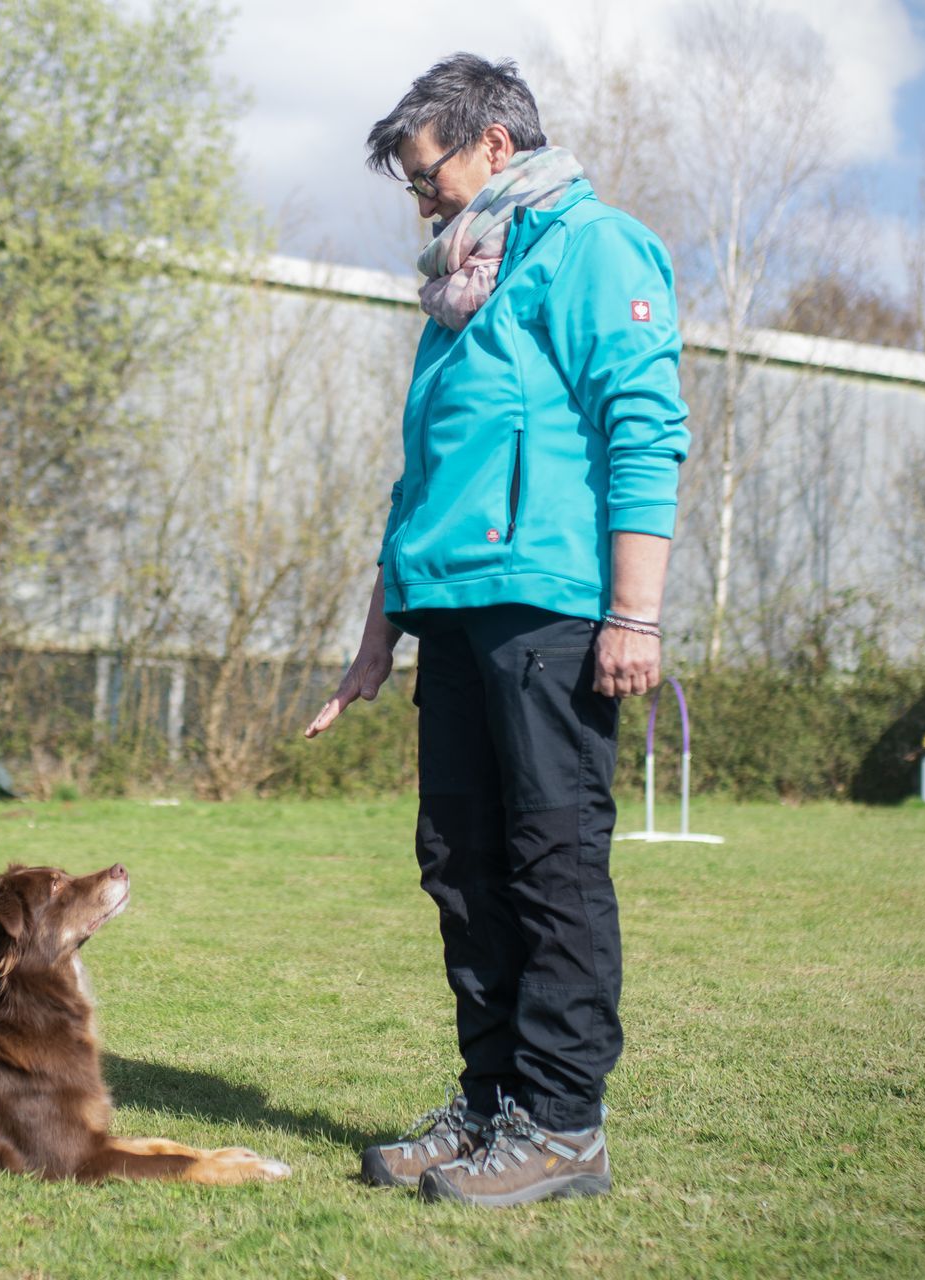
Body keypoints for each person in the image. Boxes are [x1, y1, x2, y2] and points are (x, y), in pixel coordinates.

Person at [304, 53, 689, 1208]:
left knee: (549, 864)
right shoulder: (461, 287)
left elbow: (644, 426)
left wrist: (634, 612)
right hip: (455, 615)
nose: (421, 200)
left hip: (552, 610)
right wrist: (377, 637)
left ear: (496, 146)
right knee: (461, 865)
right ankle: (490, 1106)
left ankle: (563, 1125)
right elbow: (417, 477)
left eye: (429, 175)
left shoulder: (596, 248)